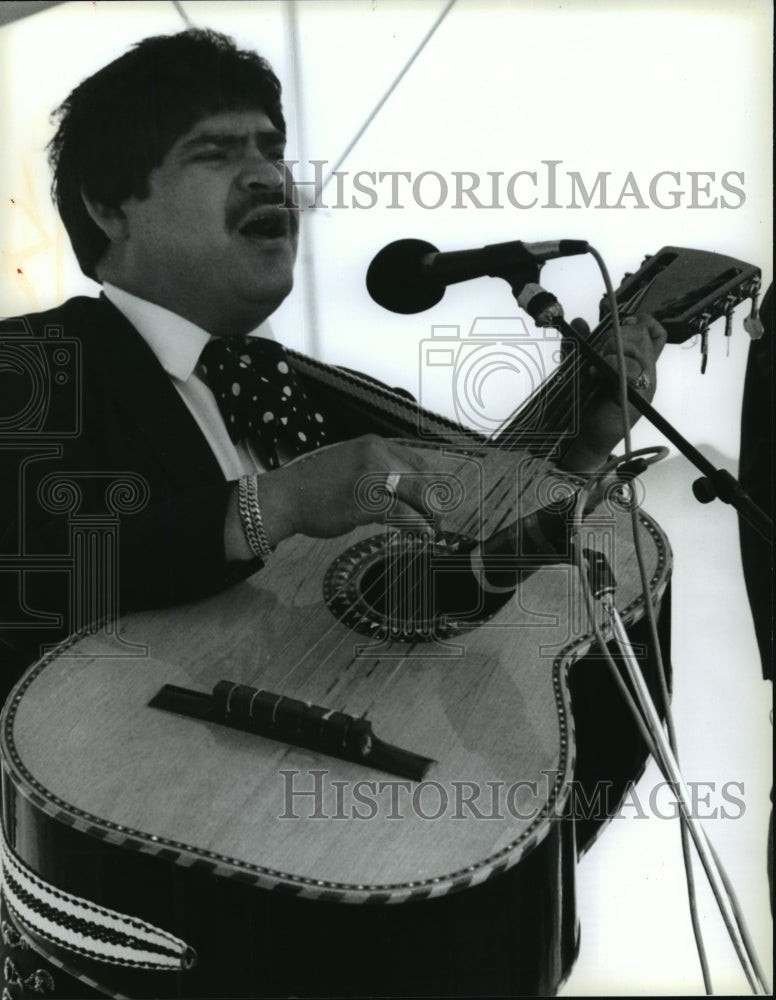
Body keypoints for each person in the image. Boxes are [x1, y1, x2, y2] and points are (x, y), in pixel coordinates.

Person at [0, 29, 666, 998]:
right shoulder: (36, 365)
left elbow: (453, 563)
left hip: (366, 899)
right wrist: (274, 506)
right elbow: (32, 572)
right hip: (132, 907)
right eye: (215, 151)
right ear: (111, 206)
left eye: (271, 147)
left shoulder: (314, 394)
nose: (268, 173)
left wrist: (573, 446)